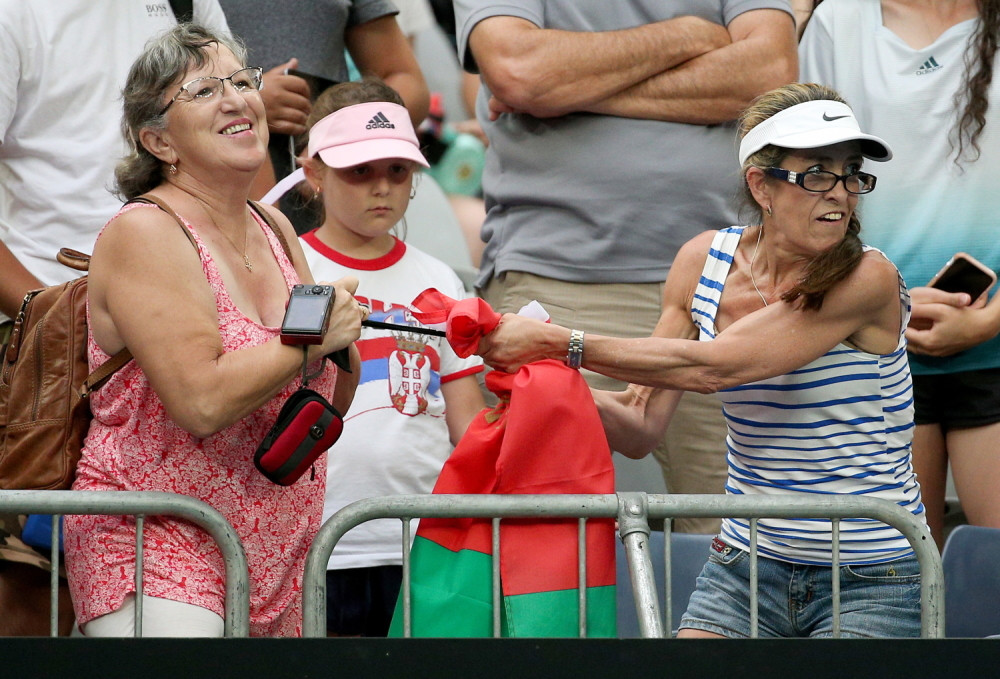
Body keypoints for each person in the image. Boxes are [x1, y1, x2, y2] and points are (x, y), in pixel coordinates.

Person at [478, 82, 928, 638]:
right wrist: (535, 383)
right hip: (743, 566)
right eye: (817, 174)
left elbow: (715, 368)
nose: (840, 193)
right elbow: (640, 425)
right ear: (761, 186)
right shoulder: (703, 259)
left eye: (852, 173)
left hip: (872, 574)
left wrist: (553, 344)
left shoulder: (868, 275)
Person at [62, 24, 366, 638]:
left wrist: (341, 345)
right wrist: (312, 340)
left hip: (280, 542)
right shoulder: (144, 230)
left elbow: (323, 386)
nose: (236, 99)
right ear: (158, 141)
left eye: (240, 81)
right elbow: (201, 401)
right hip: (157, 535)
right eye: (203, 91)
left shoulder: (276, 226)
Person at [453, 0, 798, 532]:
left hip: (726, 277)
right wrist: (689, 35)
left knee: (743, 547)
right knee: (543, 543)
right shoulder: (692, 33)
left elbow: (769, 75)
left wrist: (566, 91)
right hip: (555, 272)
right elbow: (520, 72)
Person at [0, 0, 230, 637]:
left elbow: (235, 133)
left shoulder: (192, 1)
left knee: (191, 561)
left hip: (183, 320)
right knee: (29, 583)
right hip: (45, 334)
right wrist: (49, 317)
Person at [799, 0, 1000, 550]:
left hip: (994, 348)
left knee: (992, 581)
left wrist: (992, 321)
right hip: (870, 348)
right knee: (899, 585)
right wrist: (866, 302)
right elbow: (804, 186)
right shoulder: (836, 21)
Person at [297, 78, 485, 636]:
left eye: (397, 171)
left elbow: (467, 420)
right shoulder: (289, 269)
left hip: (423, 542)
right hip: (313, 541)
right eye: (360, 170)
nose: (381, 187)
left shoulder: (440, 278)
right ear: (314, 173)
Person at [217, 0, 430, 210]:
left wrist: (341, 139)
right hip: (215, 178)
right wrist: (246, 101)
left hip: (330, 191)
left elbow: (404, 80)